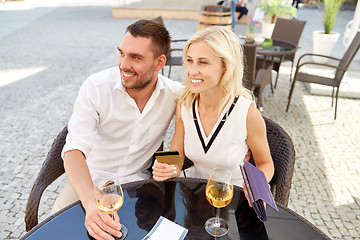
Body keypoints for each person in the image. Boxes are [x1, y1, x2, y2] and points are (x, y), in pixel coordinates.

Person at [53, 20, 182, 240]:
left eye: (135, 57)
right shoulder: (95, 87)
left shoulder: (176, 95)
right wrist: (91, 201)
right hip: (89, 183)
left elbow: (186, 137)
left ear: (159, 62)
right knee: (59, 233)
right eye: (122, 53)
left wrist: (171, 166)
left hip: (139, 187)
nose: (123, 64)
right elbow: (73, 149)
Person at [152, 26, 274, 190]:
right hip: (195, 197)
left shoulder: (246, 113)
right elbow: (176, 154)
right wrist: (166, 167)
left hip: (234, 199)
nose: (192, 71)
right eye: (189, 60)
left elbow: (265, 163)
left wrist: (257, 185)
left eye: (203, 62)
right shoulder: (184, 104)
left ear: (226, 66)